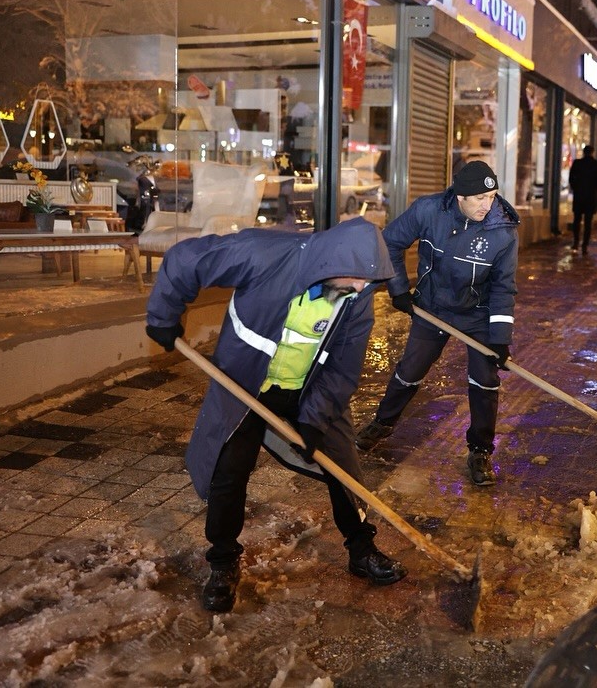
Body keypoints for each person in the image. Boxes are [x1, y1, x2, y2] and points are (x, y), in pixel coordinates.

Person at [145, 217, 407, 613]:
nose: (361, 289)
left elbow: (342, 369)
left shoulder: (357, 294)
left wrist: (314, 420)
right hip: (244, 385)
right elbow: (186, 259)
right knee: (228, 471)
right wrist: (165, 316)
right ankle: (223, 562)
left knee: (342, 466)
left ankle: (361, 548)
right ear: (331, 262)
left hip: (306, 389)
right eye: (356, 280)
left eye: (368, 283)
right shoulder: (263, 255)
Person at [355, 161, 520, 486]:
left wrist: (500, 339)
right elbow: (390, 242)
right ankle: (382, 423)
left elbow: (504, 286)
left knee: (485, 380)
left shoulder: (503, 232)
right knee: (410, 369)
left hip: (478, 314)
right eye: (479, 198)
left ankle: (481, 450)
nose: (488, 206)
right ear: (460, 197)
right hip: (434, 308)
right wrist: (399, 290)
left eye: (492, 196)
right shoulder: (428, 211)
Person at [567, 145, 597, 255]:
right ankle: (585, 245)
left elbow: (571, 179)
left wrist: (576, 188)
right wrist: (594, 190)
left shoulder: (577, 163)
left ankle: (575, 242)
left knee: (577, 220)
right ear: (592, 152)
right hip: (590, 197)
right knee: (588, 222)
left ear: (583, 152)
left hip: (579, 196)